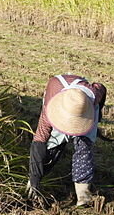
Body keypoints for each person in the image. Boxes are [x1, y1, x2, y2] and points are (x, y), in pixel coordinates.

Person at [27, 74, 107, 207]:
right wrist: (34, 177)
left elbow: (102, 88)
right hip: (61, 97)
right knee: (53, 144)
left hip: (85, 108)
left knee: (84, 147)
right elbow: (40, 139)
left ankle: (83, 196)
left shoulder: (93, 95)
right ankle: (34, 182)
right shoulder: (50, 108)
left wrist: (97, 116)